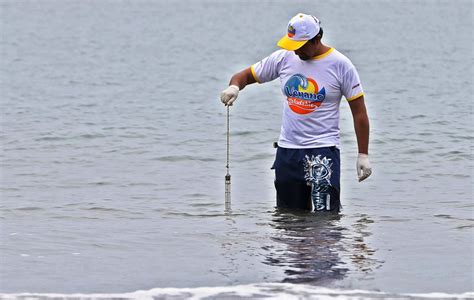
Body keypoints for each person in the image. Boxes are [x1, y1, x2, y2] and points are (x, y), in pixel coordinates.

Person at [220, 13, 372, 212]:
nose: (296, 51)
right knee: (288, 220)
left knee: (325, 223)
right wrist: (235, 87)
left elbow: (359, 112)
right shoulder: (283, 58)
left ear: (316, 39)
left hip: (323, 152)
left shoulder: (341, 65)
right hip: (288, 153)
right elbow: (245, 75)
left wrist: (363, 154)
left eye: (300, 46)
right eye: (292, 45)